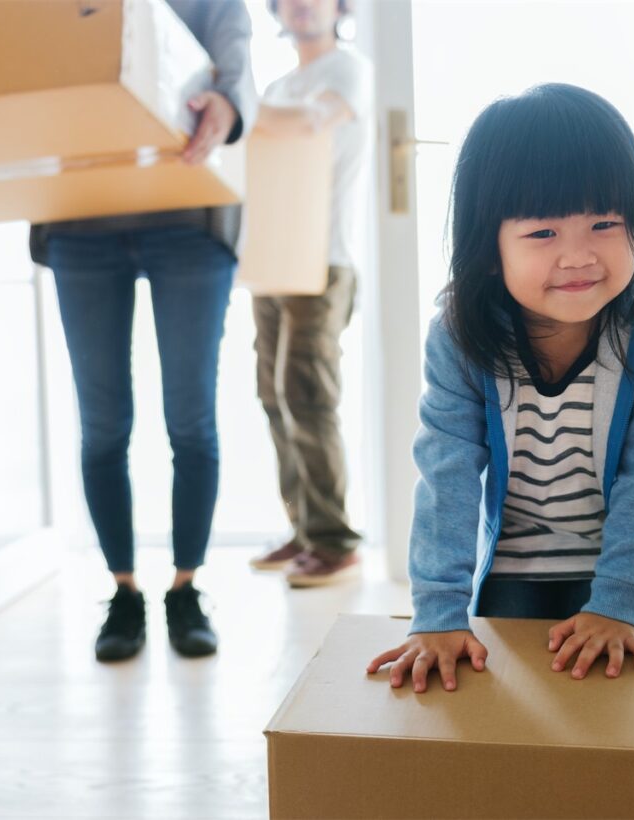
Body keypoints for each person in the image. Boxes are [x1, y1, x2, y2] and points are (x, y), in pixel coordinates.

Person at [367, 84, 634, 691]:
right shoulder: (460, 330)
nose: (578, 256)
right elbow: (447, 471)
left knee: (609, 700)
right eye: (543, 234)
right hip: (514, 561)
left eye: (605, 223)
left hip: (619, 562)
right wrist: (439, 610)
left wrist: (620, 599)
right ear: (489, 249)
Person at [28, 1, 258, 662]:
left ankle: (185, 588)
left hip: (186, 216)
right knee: (103, 424)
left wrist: (226, 103)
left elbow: (234, 65)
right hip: (79, 218)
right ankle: (124, 594)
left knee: (190, 419)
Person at [246, 0, 373, 587]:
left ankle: (335, 542)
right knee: (274, 396)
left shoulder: (345, 70)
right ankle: (304, 530)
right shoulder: (279, 83)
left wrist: (233, 107)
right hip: (273, 258)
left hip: (322, 261)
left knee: (307, 395)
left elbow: (305, 124)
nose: (300, 5)